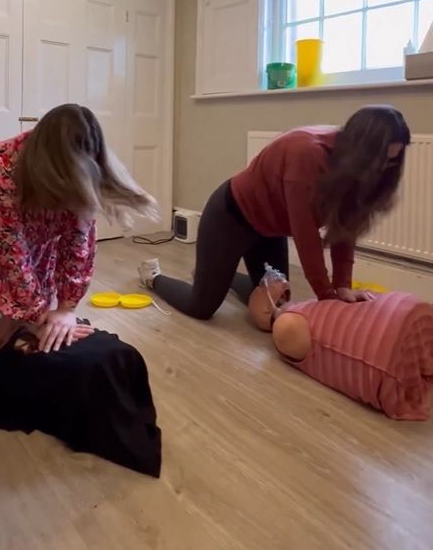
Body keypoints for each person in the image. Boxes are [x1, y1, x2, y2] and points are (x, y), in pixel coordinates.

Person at [139, 105, 410, 320]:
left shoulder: (356, 166)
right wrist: (328, 299)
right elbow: (306, 236)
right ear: (361, 149)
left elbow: (344, 228)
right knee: (201, 307)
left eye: (391, 162)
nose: (382, 169)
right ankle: (153, 277)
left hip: (270, 230)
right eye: (381, 160)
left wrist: (343, 287)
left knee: (276, 300)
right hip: (231, 217)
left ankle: (219, 275)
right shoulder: (307, 153)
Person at [0, 104, 157, 361]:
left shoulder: (81, 171)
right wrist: (38, 316)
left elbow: (78, 240)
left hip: (23, 246)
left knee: (23, 331)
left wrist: (66, 309)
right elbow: (9, 259)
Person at [249, 273, 433, 421]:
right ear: (267, 310)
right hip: (399, 333)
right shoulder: (286, 326)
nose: (275, 278)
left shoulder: (304, 311)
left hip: (403, 325)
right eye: (265, 287)